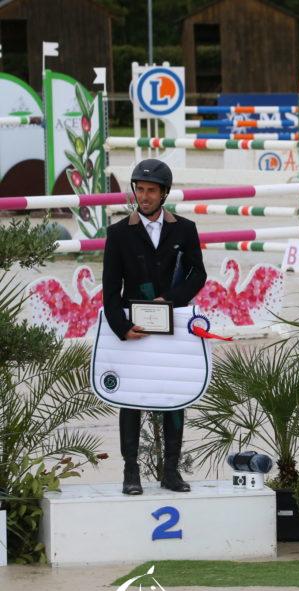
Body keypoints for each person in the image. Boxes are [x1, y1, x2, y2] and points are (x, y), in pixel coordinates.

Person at [102, 159, 207, 495]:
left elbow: (198, 273)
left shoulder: (185, 229)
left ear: (164, 193)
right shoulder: (119, 233)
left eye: (150, 191)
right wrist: (121, 327)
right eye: (139, 189)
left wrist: (172, 300)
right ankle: (130, 471)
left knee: (175, 397)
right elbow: (109, 288)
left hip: (172, 324)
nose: (143, 197)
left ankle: (171, 470)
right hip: (134, 328)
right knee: (131, 399)